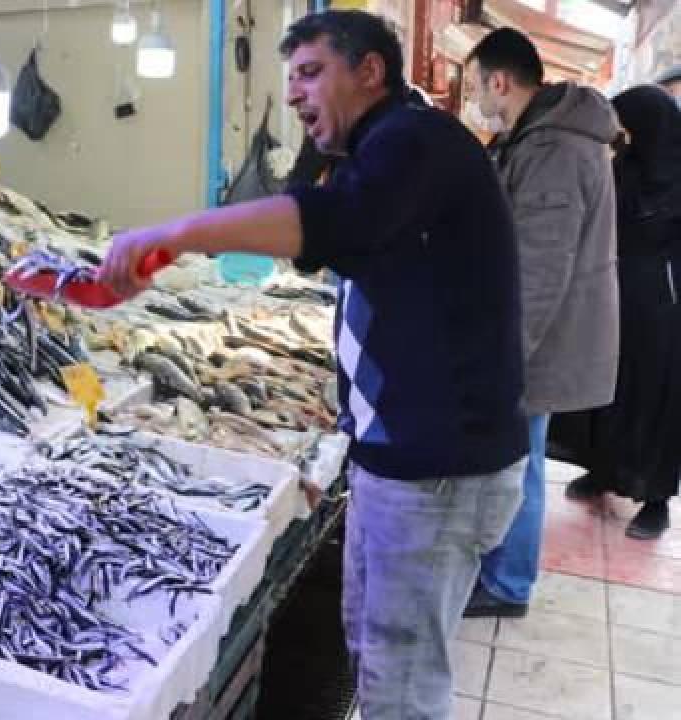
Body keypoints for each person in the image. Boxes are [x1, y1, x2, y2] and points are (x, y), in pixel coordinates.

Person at [99, 10, 528, 719]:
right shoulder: (379, 149)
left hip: (437, 473)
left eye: (310, 73)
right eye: (290, 77)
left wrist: (177, 234)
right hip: (399, 463)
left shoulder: (415, 140)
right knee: (376, 656)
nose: (295, 92)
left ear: (369, 71)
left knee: (403, 686)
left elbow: (333, 221)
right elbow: (325, 232)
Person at [462, 28, 619, 619]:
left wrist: (504, 359)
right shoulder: (534, 137)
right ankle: (502, 571)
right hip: (536, 336)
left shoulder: (555, 151)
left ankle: (508, 584)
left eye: (475, 87)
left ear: (500, 82)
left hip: (541, 342)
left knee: (518, 462)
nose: (475, 99)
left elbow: (539, 272)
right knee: (515, 458)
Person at [566, 86, 681, 539]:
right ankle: (603, 471)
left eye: (629, 127)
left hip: (665, 310)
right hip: (613, 298)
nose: (623, 136)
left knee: (656, 400)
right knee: (608, 389)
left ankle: (656, 500)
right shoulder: (624, 166)